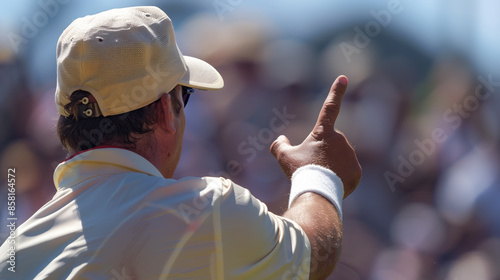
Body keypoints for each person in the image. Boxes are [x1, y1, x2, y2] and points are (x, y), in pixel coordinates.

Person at [0, 6, 361, 280]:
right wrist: (319, 173)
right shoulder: (209, 210)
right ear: (163, 110)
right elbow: (315, 252)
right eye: (184, 96)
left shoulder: (12, 256)